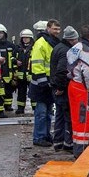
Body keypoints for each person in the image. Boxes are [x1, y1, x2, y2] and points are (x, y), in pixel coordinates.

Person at [67, 25, 89, 158]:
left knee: (76, 118)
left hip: (73, 84)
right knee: (83, 120)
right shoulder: (87, 51)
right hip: (82, 88)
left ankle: (77, 148)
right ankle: (81, 152)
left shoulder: (74, 48)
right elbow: (87, 72)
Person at [30, 19, 60, 147]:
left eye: (58, 29)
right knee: (41, 113)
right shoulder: (41, 43)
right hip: (40, 84)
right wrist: (44, 82)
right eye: (54, 29)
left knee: (48, 113)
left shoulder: (52, 43)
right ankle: (39, 137)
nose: (57, 32)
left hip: (49, 83)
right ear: (48, 28)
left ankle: (46, 135)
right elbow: (37, 64)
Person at [50, 26, 78, 153]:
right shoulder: (67, 51)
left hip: (56, 86)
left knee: (59, 115)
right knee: (67, 116)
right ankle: (68, 143)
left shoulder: (58, 47)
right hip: (63, 88)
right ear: (71, 39)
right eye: (76, 39)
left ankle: (58, 142)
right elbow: (62, 71)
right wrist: (61, 87)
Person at [0, 24, 17, 113]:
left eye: (1, 33)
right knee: (0, 91)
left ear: (5, 33)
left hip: (9, 72)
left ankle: (8, 106)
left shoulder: (10, 45)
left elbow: (15, 57)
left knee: (9, 91)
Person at [14, 29, 34, 115]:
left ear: (31, 38)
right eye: (24, 38)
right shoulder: (18, 48)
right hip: (21, 75)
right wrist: (15, 61)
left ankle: (35, 108)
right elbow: (12, 57)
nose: (25, 39)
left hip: (31, 75)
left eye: (27, 38)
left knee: (33, 93)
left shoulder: (34, 48)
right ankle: (20, 108)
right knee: (21, 92)